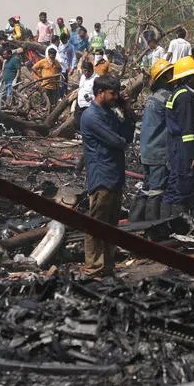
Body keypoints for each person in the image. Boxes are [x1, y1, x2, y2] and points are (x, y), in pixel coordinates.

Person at [79, 74, 136, 277]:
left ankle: (107, 266)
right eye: (112, 93)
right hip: (102, 176)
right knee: (96, 224)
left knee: (110, 224)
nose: (115, 97)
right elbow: (118, 141)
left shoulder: (109, 113)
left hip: (114, 174)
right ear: (100, 93)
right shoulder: (91, 117)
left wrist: (127, 112)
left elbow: (127, 135)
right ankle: (94, 267)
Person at [162, 56, 194, 217]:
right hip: (183, 146)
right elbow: (188, 129)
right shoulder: (185, 97)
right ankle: (176, 224)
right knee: (183, 184)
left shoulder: (176, 93)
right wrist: (192, 155)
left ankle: (163, 223)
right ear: (188, 77)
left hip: (175, 144)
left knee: (174, 183)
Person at [135, 60, 174, 221]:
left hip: (147, 149)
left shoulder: (153, 97)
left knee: (147, 188)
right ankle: (151, 226)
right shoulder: (167, 98)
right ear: (165, 78)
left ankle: (135, 221)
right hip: (158, 151)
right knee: (157, 191)